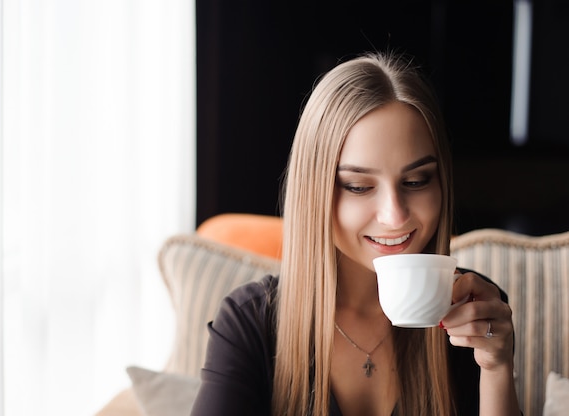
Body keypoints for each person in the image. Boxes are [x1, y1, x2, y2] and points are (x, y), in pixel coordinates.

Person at [190, 52, 521, 415]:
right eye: (359, 187)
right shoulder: (249, 324)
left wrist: (496, 368)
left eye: (415, 180)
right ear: (314, 193)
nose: (394, 216)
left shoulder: (475, 313)